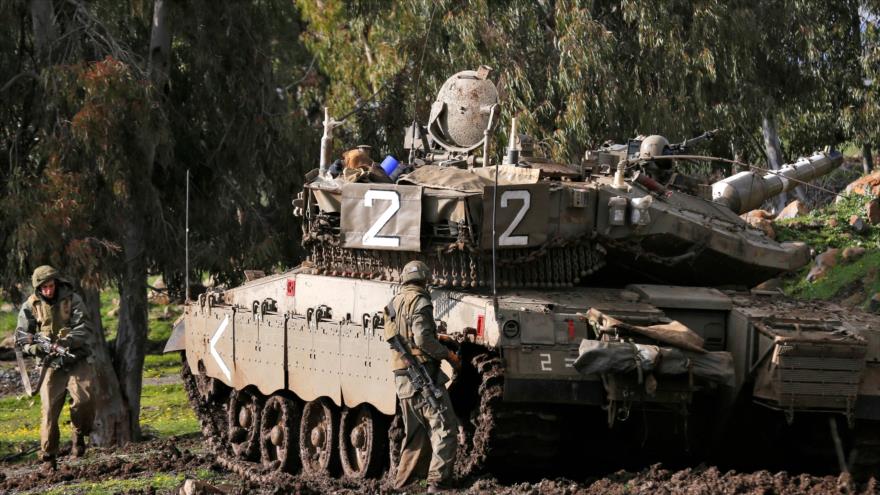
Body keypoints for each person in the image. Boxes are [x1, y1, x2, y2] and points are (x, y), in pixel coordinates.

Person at [387, 260, 461, 493]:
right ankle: (437, 483)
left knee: (416, 434)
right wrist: (448, 355)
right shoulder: (421, 300)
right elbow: (421, 340)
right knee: (445, 428)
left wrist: (439, 338)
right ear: (424, 280)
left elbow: (401, 336)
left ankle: (405, 484)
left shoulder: (394, 302)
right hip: (422, 375)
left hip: (402, 376)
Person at [15, 265, 98, 470]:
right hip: (50, 365)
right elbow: (22, 336)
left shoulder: (72, 299)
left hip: (76, 358)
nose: (48, 291)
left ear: (56, 283)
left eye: (51, 286)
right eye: (44, 288)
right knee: (50, 413)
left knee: (85, 400)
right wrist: (36, 347)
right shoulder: (31, 305)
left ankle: (78, 434)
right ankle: (48, 458)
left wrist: (67, 342)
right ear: (38, 288)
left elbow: (85, 328)